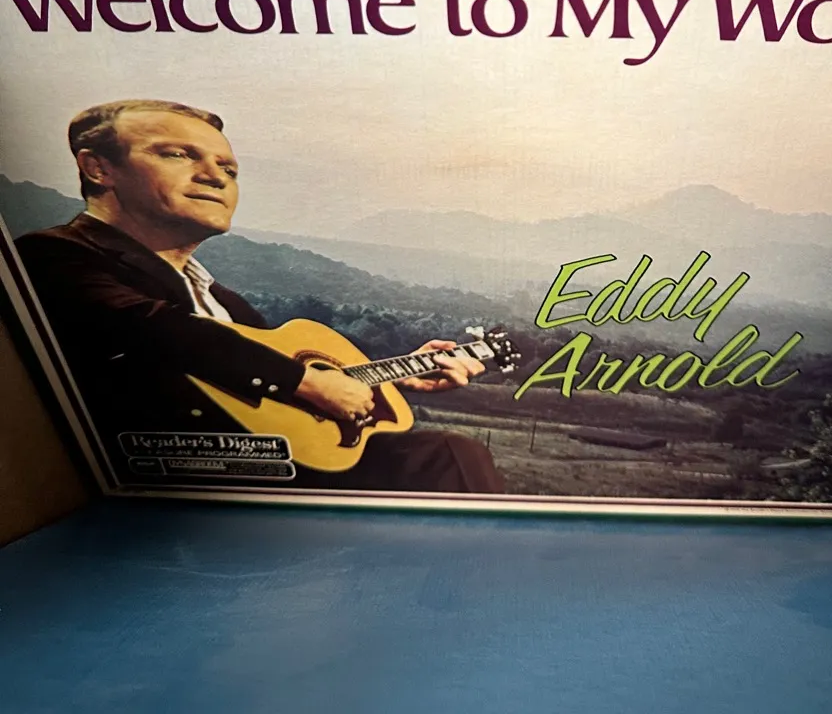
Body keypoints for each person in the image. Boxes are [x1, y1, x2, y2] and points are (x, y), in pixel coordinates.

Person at [17, 98, 504, 495]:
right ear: (98, 168)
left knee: (446, 453)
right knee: (448, 457)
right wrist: (305, 381)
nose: (215, 176)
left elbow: (270, 395)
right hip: (174, 491)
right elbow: (152, 328)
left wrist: (397, 376)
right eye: (178, 154)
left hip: (268, 472)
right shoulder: (51, 255)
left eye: (228, 168)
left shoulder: (225, 303)